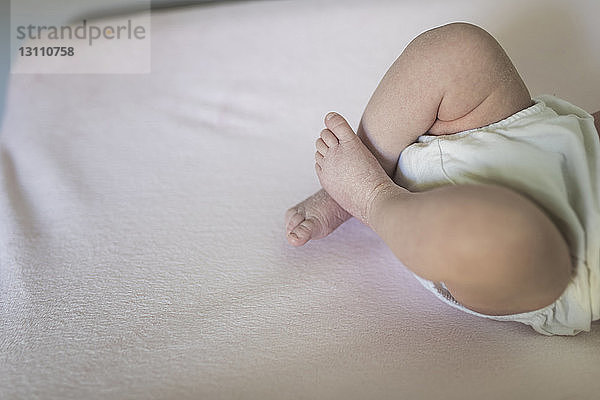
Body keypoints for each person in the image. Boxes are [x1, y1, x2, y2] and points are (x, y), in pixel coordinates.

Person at [284, 22, 600, 336]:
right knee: (461, 52)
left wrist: (372, 195)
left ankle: (371, 197)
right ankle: (369, 161)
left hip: (560, 261)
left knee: (495, 236)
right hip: (538, 144)